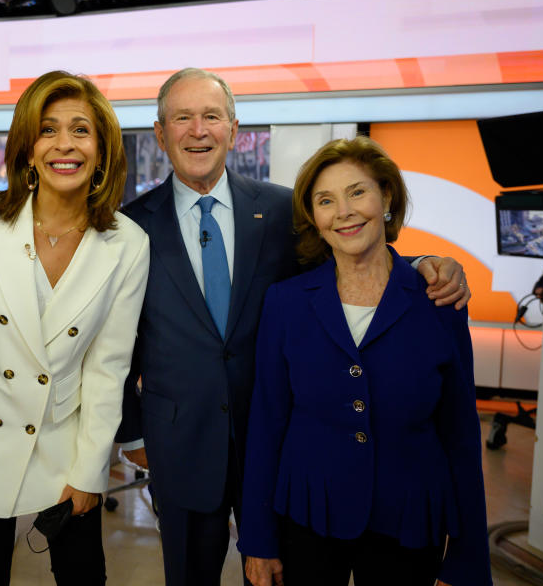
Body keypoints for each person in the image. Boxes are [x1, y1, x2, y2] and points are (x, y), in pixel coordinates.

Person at [114, 68, 472, 586]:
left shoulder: (284, 210)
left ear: (234, 129)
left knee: (276, 573)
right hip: (180, 444)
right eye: (182, 118)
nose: (198, 130)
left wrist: (421, 265)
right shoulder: (131, 227)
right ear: (159, 132)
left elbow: (351, 255)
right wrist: (131, 432)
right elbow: (115, 338)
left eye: (212, 116)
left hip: (281, 450)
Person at [239, 136, 492, 586]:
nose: (345, 211)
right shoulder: (286, 303)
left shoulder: (438, 299)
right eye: (326, 201)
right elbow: (267, 424)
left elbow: (460, 433)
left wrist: (470, 555)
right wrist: (257, 539)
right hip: (308, 515)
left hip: (410, 517)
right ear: (314, 220)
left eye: (358, 192)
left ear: (387, 197)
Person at [0, 71, 150, 586]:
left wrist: (90, 473)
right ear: (27, 148)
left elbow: (109, 368)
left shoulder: (128, 243)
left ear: (102, 149)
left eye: (80, 130)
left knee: (85, 577)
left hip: (65, 443)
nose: (65, 144)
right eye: (48, 130)